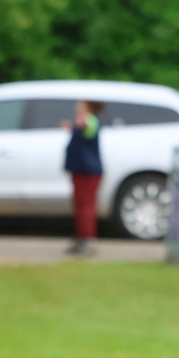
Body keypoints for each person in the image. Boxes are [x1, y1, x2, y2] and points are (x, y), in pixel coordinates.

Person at [61, 99, 105, 257]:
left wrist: (77, 125)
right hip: (80, 170)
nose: (77, 107)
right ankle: (80, 238)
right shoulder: (84, 120)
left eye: (81, 106)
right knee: (80, 205)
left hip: (88, 171)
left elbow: (87, 127)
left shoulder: (90, 120)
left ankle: (87, 239)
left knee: (86, 206)